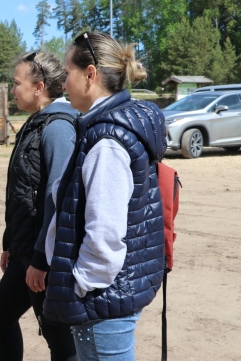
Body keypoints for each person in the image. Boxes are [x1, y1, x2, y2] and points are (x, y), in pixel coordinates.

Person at [43, 31, 166, 360]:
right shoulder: (108, 127)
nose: (63, 83)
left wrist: (82, 284)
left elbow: (105, 231)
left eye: (67, 73)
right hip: (109, 295)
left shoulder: (106, 141)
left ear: (90, 74)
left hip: (102, 302)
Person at [0, 51, 78, 361]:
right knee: (1, 313)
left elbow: (59, 199)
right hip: (25, 250)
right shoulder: (35, 124)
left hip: (46, 257)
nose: (13, 89)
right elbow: (24, 191)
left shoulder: (58, 128)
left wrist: (42, 259)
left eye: (16, 83)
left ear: (38, 87)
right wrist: (10, 243)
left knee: (59, 338)